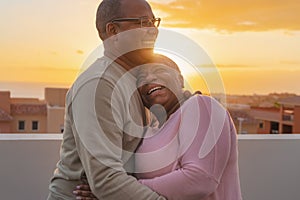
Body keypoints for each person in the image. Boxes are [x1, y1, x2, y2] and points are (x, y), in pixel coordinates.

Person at [74, 54, 243, 200]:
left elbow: (200, 180)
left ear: (180, 79)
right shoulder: (150, 130)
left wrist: (119, 193)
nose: (149, 79)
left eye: (159, 71)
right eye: (141, 79)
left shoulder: (201, 106)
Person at [47, 0, 166, 199]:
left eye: (153, 22)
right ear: (113, 31)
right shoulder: (99, 85)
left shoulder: (134, 81)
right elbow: (106, 179)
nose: (152, 30)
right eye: (143, 22)